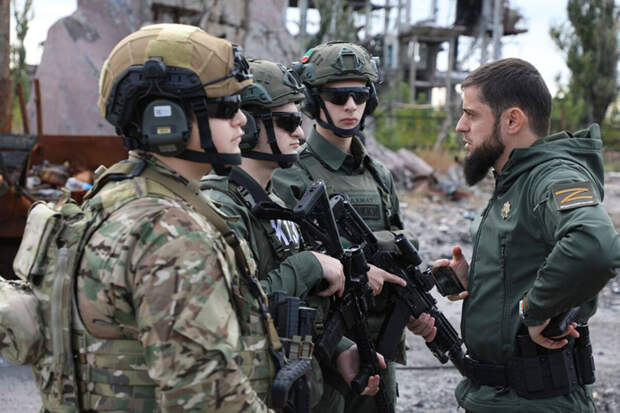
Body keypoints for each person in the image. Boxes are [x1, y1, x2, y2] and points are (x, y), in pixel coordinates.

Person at [21, 23, 280, 412]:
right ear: (167, 119)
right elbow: (205, 400)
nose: (243, 120)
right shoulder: (171, 233)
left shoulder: (111, 196)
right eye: (227, 108)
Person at [433, 57, 620, 413]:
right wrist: (482, 279)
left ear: (512, 120)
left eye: (471, 115)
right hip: (500, 397)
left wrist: (535, 310)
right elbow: (526, 260)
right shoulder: (515, 179)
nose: (460, 126)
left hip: (537, 400)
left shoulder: (551, 178)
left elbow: (595, 246)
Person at [200, 58, 384, 412]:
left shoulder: (274, 203)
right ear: (249, 127)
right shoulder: (221, 209)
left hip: (294, 385)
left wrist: (340, 349)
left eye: (299, 121)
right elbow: (232, 309)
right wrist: (309, 264)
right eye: (288, 123)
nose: (300, 134)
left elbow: (299, 306)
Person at [271, 41, 430, 413]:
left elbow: (399, 254)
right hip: (324, 350)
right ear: (314, 101)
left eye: (359, 96)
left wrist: (415, 307)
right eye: (338, 97)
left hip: (380, 346)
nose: (350, 107)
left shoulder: (379, 175)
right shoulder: (291, 173)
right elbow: (286, 263)